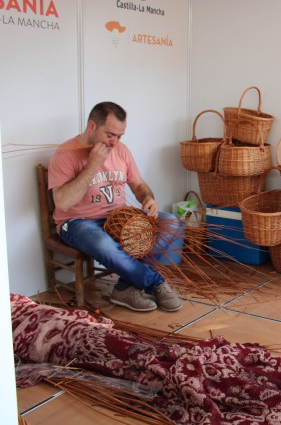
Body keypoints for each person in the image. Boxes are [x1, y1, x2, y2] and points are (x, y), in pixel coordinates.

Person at [48, 102, 183, 312]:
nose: (115, 142)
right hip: (78, 223)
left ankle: (125, 288)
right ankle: (155, 283)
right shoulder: (65, 154)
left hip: (118, 218)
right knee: (103, 243)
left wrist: (147, 198)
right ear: (92, 126)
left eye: (120, 136)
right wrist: (93, 165)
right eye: (110, 135)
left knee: (170, 223)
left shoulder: (121, 150)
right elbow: (63, 202)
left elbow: (138, 184)